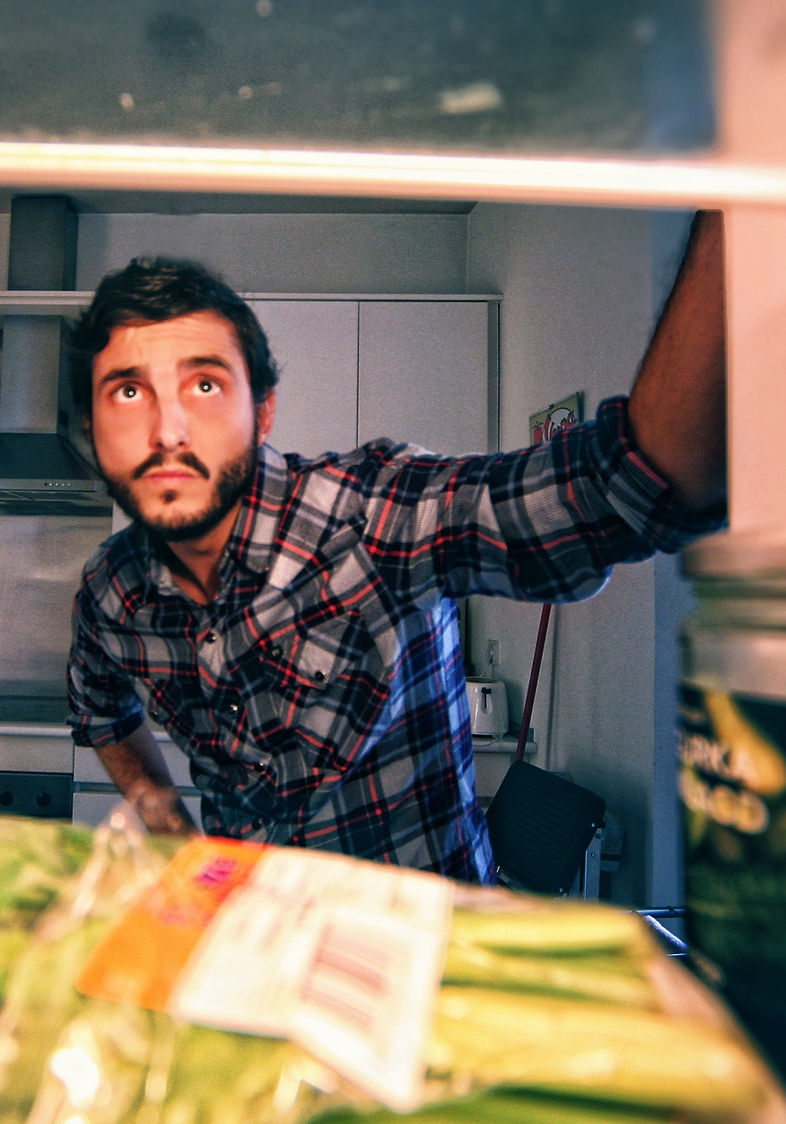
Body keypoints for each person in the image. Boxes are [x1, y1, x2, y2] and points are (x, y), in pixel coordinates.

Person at [65, 212, 728, 882]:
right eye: (128, 391)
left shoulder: (376, 512)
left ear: (262, 412)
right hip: (255, 948)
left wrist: (736, 207)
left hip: (428, 955)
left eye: (204, 385)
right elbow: (99, 710)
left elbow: (633, 489)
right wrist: (172, 832)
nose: (167, 428)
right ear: (94, 429)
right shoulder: (110, 593)